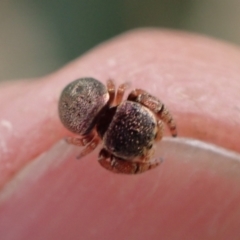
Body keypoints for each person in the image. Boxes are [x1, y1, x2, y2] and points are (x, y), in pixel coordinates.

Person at [0, 29, 240, 239]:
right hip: (105, 112)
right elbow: (128, 94)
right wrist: (167, 124)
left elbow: (90, 145)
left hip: (103, 116)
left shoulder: (97, 136)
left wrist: (143, 164)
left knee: (107, 154)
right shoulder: (116, 106)